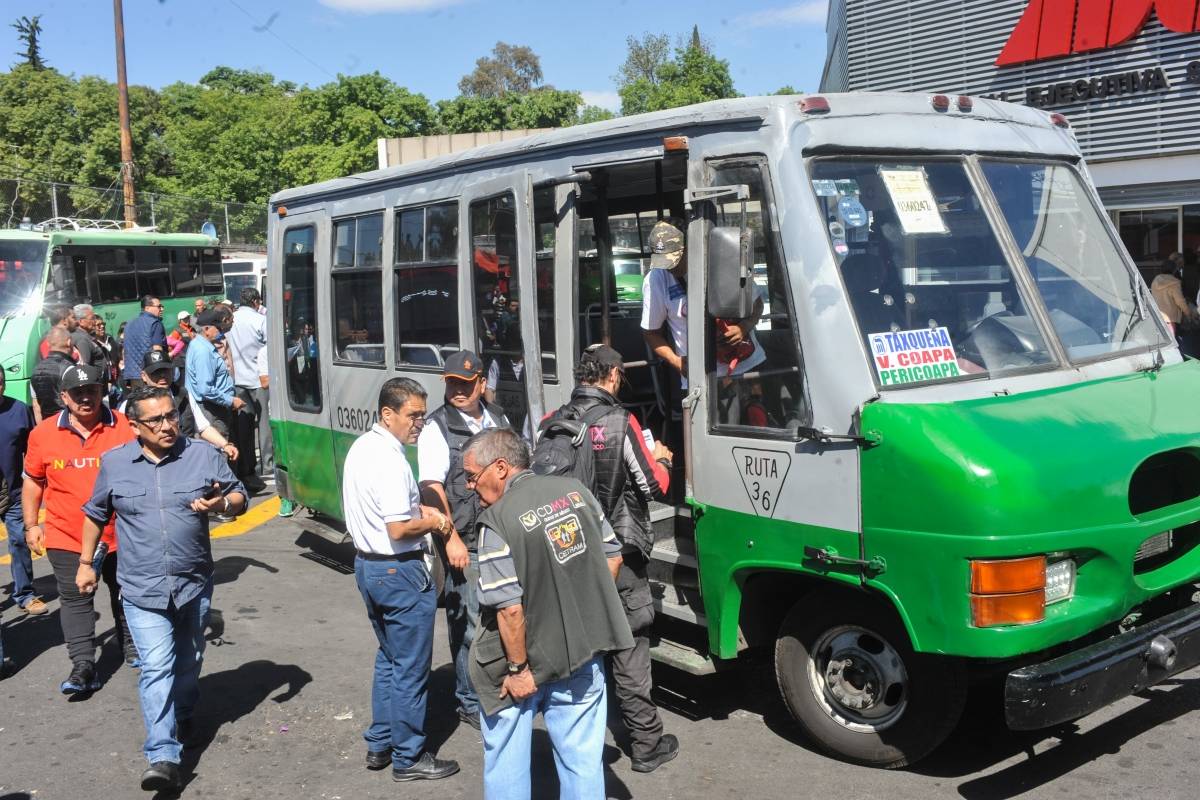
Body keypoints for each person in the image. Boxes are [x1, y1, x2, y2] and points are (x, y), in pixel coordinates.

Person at [77, 385, 246, 792]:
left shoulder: (203, 454)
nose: (167, 425)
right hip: (140, 587)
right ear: (134, 425)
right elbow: (95, 514)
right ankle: (163, 755)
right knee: (156, 667)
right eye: (155, 420)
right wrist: (86, 564)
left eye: (171, 415)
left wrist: (222, 505)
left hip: (194, 583)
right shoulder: (115, 464)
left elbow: (239, 494)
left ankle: (184, 709)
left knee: (188, 660)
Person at [465, 428, 633, 800]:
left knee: (506, 759)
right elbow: (614, 557)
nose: (469, 486)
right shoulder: (576, 492)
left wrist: (518, 669)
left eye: (472, 476)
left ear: (501, 468)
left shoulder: (497, 521)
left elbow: (508, 609)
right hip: (581, 654)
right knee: (582, 764)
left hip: (519, 665)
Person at [541, 343, 679, 772]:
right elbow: (655, 486)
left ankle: (579, 744)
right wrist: (664, 460)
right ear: (614, 375)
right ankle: (646, 743)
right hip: (616, 553)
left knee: (580, 651)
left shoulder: (551, 422)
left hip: (565, 553)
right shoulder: (622, 421)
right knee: (630, 645)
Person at [342, 377, 460, 782]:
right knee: (410, 667)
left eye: (424, 417)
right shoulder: (390, 461)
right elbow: (398, 528)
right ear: (387, 414)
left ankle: (381, 742)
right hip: (399, 572)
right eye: (413, 416)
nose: (419, 424)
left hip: (368, 567)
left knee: (389, 658)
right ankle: (409, 756)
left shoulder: (363, 447)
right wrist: (435, 521)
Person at [23, 364, 137, 694]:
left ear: (103, 391)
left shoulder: (124, 426)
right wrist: (31, 525)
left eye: (92, 391)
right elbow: (32, 481)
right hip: (66, 534)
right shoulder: (43, 433)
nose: (86, 398)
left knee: (126, 592)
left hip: (122, 532)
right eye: (78, 393)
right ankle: (84, 665)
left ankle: (131, 644)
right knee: (75, 598)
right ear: (64, 398)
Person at [417, 350, 510, 730]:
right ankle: (469, 698)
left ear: (481, 385)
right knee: (469, 624)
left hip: (500, 534)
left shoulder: (498, 419)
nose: (457, 389)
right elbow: (430, 487)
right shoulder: (437, 428)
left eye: (465, 384)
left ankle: (494, 685)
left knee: (501, 614)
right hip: (465, 540)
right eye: (451, 383)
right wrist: (450, 538)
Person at [640, 219, 765, 386]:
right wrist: (676, 361)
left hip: (748, 365)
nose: (670, 267)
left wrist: (744, 327)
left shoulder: (721, 263)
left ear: (689, 246)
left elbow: (757, 304)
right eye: (665, 263)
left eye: (675, 259)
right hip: (701, 381)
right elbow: (651, 333)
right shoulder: (656, 279)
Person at [0, 370, 44, 616]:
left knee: (19, 541)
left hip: (15, 492)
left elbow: (33, 448)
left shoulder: (18, 410)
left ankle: (25, 594)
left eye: (0, 382)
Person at [186, 308, 246, 443]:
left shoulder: (200, 345)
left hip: (214, 407)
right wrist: (231, 400)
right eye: (218, 327)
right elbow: (205, 389)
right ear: (206, 329)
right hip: (213, 412)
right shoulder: (203, 351)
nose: (221, 330)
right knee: (219, 452)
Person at [227, 287, 268, 486]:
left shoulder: (230, 320)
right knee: (264, 424)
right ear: (256, 302)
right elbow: (270, 347)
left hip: (236, 381)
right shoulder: (260, 320)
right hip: (259, 379)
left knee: (244, 426)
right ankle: (268, 464)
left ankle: (247, 465)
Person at [1150, 256, 1198, 352]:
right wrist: (1188, 313)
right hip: (1170, 318)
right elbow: (1180, 301)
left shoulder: (1155, 280)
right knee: (1171, 345)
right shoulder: (1174, 283)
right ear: (1174, 270)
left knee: (1160, 344)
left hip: (1156, 316)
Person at [29, 327, 76, 423]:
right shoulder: (70, 369)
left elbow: (36, 407)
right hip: (68, 425)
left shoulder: (36, 370)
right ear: (69, 342)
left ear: (48, 344)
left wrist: (42, 429)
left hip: (47, 427)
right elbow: (76, 404)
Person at [122, 296, 167, 390]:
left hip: (132, 376)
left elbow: (125, 351)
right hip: (150, 376)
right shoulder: (155, 323)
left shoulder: (129, 324)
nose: (162, 309)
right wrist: (163, 375)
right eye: (159, 306)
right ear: (147, 308)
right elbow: (157, 350)